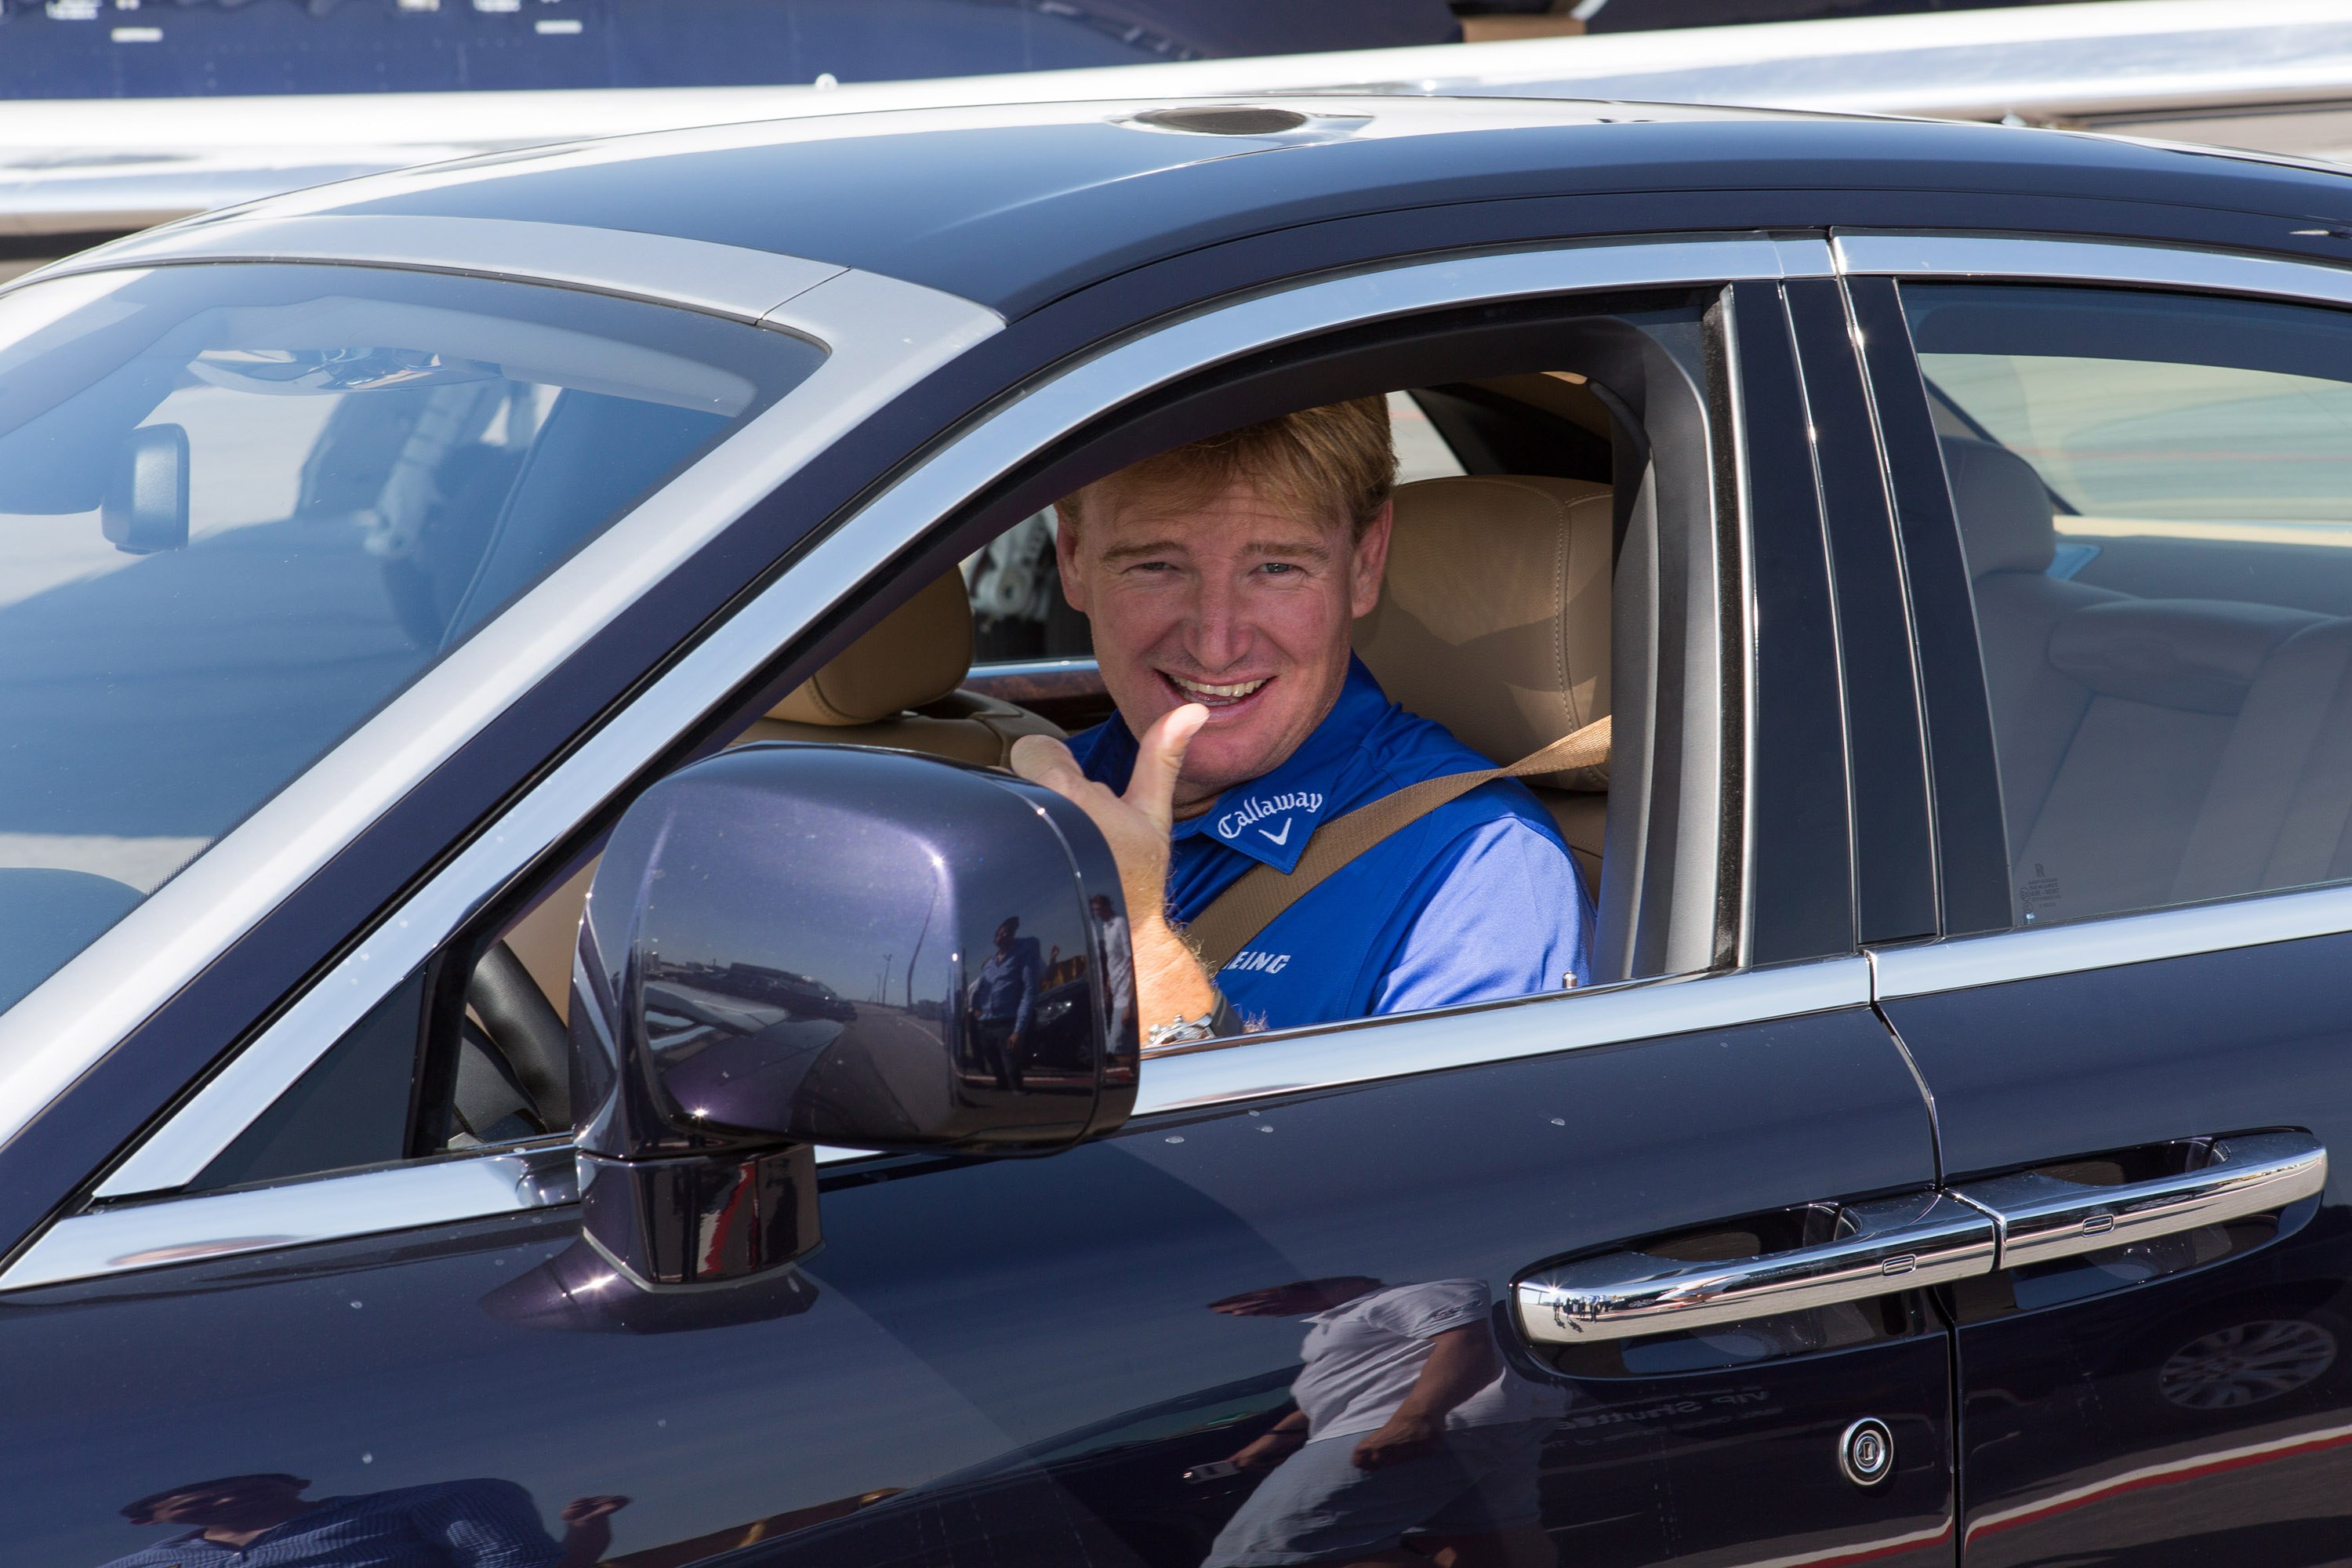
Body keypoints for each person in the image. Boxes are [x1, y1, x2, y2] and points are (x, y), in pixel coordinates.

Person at [1010, 397, 1593, 1040]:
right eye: (1157, 566)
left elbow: (1446, 1145)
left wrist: (1139, 944)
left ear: (1365, 563)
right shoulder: (1035, 805)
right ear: (1071, 558)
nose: (1215, 644)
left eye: (1276, 567)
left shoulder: (1479, 869)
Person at [1204, 1277, 1563, 1568]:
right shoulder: (1339, 1322)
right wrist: (1281, 1435)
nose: (1269, 1303)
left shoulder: (1407, 1295)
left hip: (1423, 1424)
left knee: (1260, 1552)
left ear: (1348, 1280)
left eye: (1287, 1287)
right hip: (1454, 1425)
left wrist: (1415, 1419)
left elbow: (1468, 1345)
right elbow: (1352, 1386)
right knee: (1479, 1539)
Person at [101, 1473, 628, 1568]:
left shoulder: (444, 1501)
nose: (221, 1494)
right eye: (190, 1494)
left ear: (297, 1482)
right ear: (146, 1520)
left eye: (243, 1480)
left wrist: (583, 1540)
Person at [966, 914, 1041, 1088]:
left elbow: (1030, 992)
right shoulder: (990, 964)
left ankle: (1017, 1092)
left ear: (1014, 934)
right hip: (986, 1023)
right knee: (993, 1060)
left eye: (1007, 933)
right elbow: (979, 989)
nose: (1003, 937)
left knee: (1011, 1063)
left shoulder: (1023, 953)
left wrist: (1018, 1030)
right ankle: (1001, 1086)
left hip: (1006, 1022)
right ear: (994, 939)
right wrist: (977, 1007)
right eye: (999, 934)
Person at [1092, 891, 1136, 1048]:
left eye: (1099, 909)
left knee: (1115, 1047)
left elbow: (1131, 961)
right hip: (1116, 995)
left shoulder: (1119, 924)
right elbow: (1113, 962)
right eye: (1095, 911)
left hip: (1126, 998)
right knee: (1126, 1045)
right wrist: (1107, 989)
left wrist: (1129, 1006)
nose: (1098, 914)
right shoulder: (1106, 927)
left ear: (1108, 906)